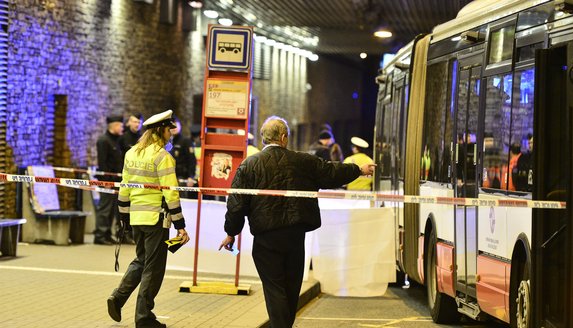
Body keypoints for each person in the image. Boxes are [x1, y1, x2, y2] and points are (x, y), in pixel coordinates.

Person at [219, 116, 375, 328]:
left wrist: (231, 232)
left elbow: (236, 203)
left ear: (265, 139)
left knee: (274, 289)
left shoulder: (249, 165)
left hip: (266, 239)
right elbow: (331, 172)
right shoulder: (303, 161)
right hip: (295, 237)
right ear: (284, 138)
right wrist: (359, 170)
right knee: (292, 288)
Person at [107, 110, 190, 328]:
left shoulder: (131, 153)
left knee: (141, 260)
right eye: (168, 131)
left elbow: (125, 188)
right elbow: (171, 193)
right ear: (160, 130)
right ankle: (144, 318)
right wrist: (180, 226)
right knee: (153, 268)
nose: (171, 135)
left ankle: (118, 298)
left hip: (136, 216)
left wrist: (123, 216)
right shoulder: (162, 156)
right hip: (155, 219)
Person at [94, 115, 124, 245]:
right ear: (114, 125)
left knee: (112, 210)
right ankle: (100, 235)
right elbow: (103, 163)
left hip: (116, 180)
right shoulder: (103, 141)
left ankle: (107, 234)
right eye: (120, 125)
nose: (122, 128)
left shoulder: (116, 141)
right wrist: (105, 181)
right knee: (105, 209)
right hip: (107, 181)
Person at [170, 116, 197, 198]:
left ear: (180, 126)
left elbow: (192, 160)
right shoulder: (168, 142)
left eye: (176, 125)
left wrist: (191, 176)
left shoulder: (186, 141)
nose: (174, 128)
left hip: (182, 178)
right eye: (172, 126)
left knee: (181, 202)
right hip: (170, 177)